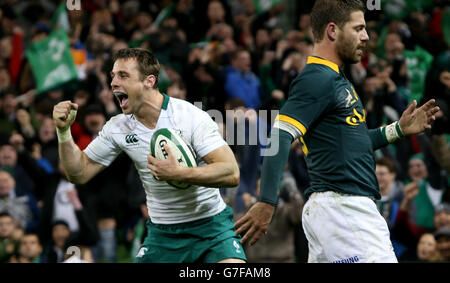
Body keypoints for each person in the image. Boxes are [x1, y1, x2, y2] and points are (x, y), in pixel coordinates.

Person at [234, 0, 439, 263]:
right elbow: (280, 135)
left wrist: (397, 129)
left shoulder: (337, 81)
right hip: (345, 209)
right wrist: (266, 201)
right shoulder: (316, 78)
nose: (366, 36)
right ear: (333, 30)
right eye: (359, 28)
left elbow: (355, 142)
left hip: (336, 210)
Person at [52, 48, 246, 263]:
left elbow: (230, 172)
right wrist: (63, 132)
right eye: (113, 76)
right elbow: (78, 172)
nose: (114, 83)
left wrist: (180, 173)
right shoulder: (118, 127)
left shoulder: (190, 116)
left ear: (149, 81)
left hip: (212, 228)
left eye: (123, 75)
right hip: (163, 236)